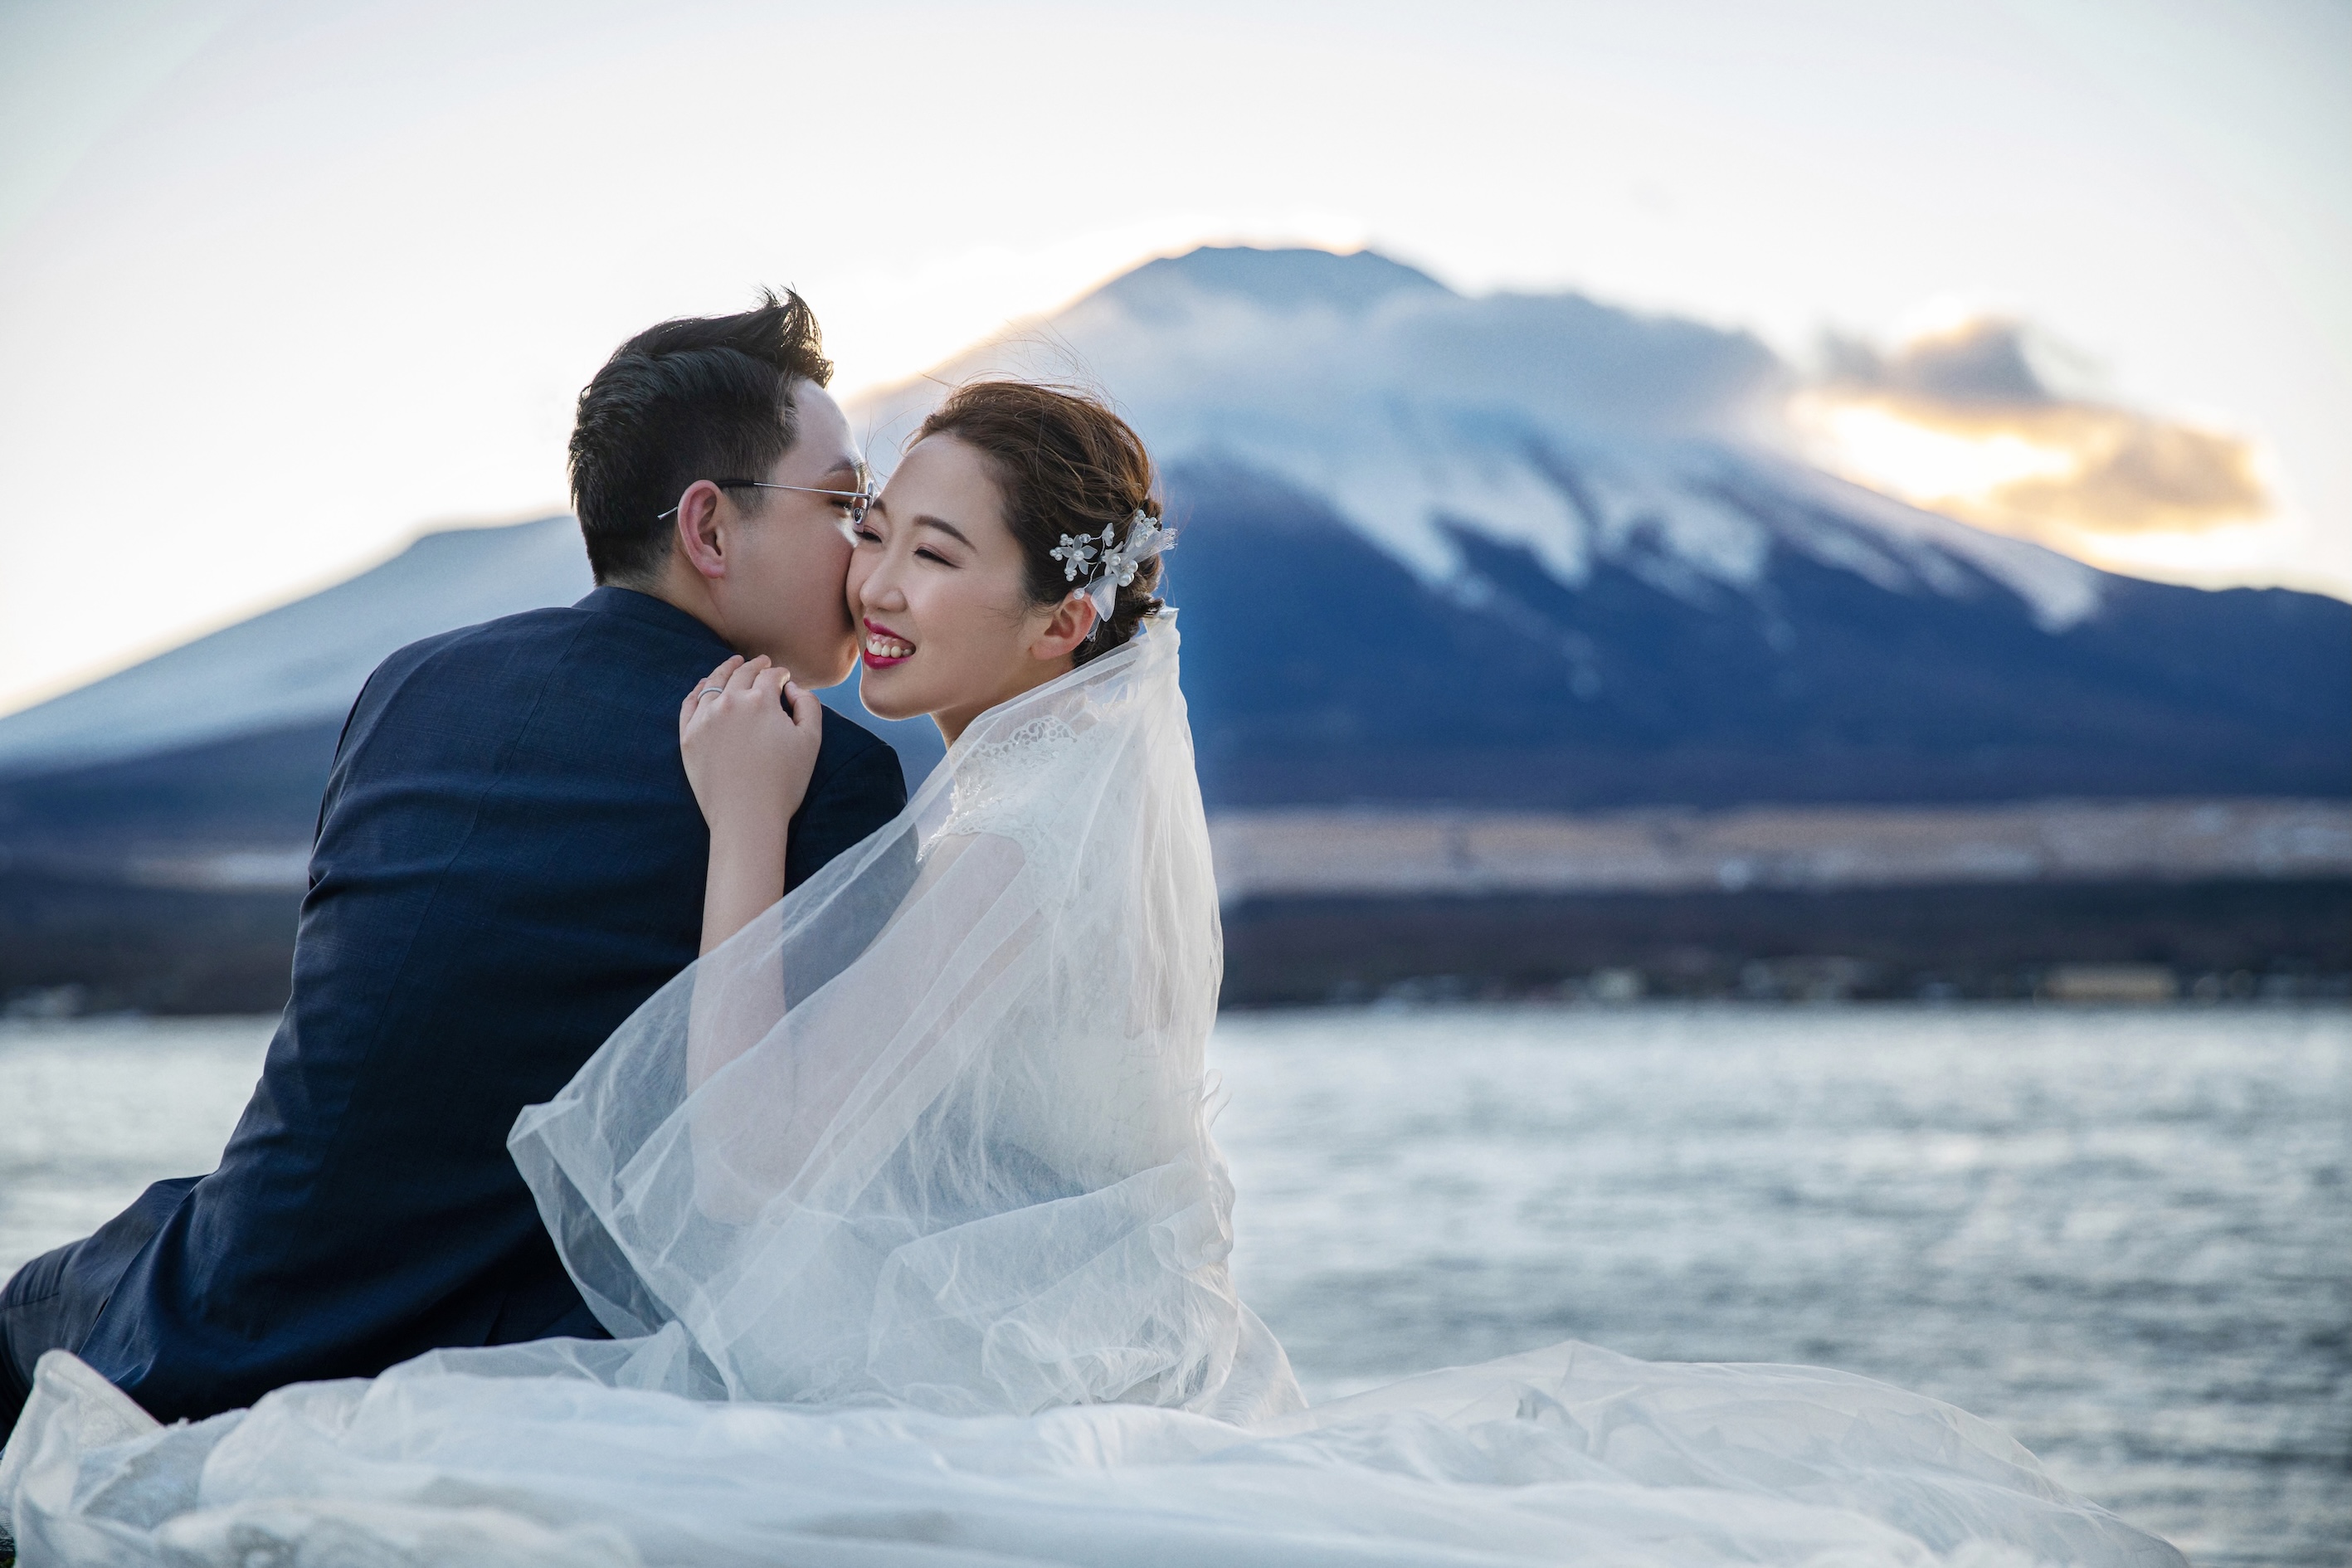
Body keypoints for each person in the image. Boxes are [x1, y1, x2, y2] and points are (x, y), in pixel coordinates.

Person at [1, 384, 2183, 1566]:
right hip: (1082, 1342)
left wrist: (745, 829)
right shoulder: (1010, 797)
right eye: (872, 526)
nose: (869, 574)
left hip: (1004, 1394)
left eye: (928, 546)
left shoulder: (993, 835)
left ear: (1062, 625)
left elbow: (748, 1161)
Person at [0, 291, 907, 1436]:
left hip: (206, 1308)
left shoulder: (408, 686)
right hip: (497, 1366)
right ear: (711, 530)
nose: (868, 538)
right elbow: (779, 1198)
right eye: (843, 500)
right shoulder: (833, 777)